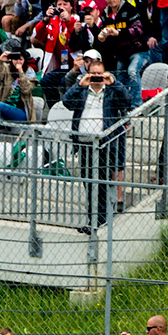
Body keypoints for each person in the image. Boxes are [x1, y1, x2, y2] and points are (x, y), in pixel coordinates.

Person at [60, 50, 132, 224]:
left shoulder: (112, 91)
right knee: (88, 183)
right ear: (88, 74)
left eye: (100, 74)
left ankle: (100, 221)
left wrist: (113, 83)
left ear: (105, 74)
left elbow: (127, 101)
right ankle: (93, 221)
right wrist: (80, 85)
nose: (97, 78)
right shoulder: (82, 91)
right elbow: (66, 102)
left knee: (100, 185)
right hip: (84, 144)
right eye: (93, 74)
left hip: (104, 145)